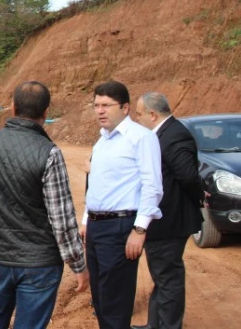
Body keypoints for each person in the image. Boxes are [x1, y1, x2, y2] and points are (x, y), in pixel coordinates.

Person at [0, 81, 89, 329]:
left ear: (12, 107)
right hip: (40, 264)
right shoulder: (49, 153)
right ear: (45, 113)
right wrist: (78, 265)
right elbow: (61, 221)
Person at [80, 80, 163, 329]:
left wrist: (139, 230)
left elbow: (152, 186)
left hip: (120, 227)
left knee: (116, 301)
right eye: (96, 105)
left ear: (125, 108)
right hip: (96, 228)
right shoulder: (102, 141)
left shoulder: (141, 138)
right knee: (101, 298)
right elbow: (97, 184)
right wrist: (86, 220)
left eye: (107, 105)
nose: (100, 110)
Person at [132, 92, 204, 329]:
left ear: (153, 115)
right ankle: (155, 324)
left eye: (140, 114)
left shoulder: (173, 136)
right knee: (162, 276)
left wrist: (198, 199)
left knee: (168, 278)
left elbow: (188, 176)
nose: (138, 119)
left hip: (171, 221)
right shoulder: (163, 134)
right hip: (164, 221)